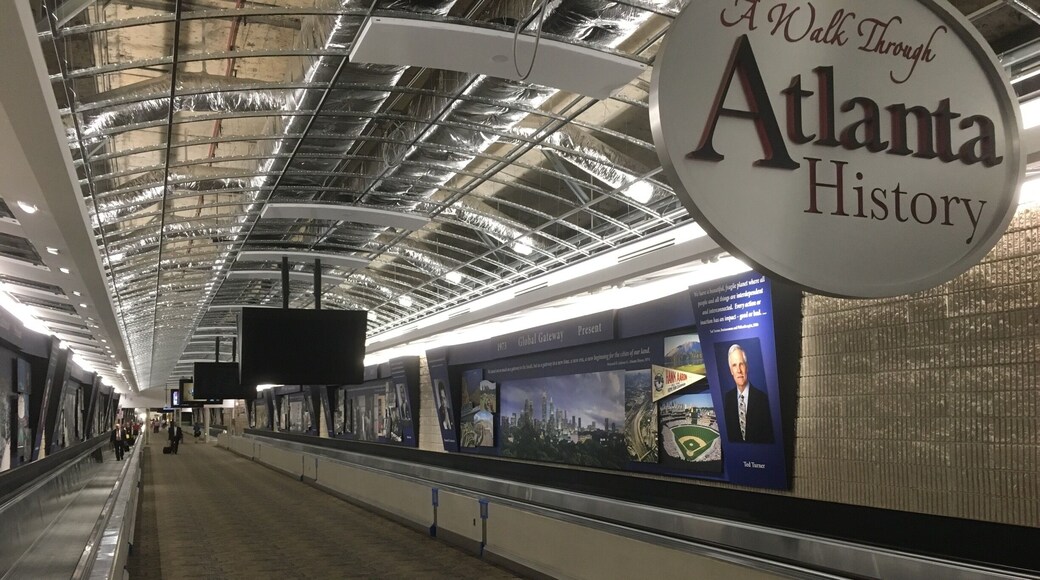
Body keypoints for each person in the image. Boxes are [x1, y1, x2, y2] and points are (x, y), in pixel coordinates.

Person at [722, 344, 774, 444]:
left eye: (741, 364)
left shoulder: (763, 399)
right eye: (734, 365)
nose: (738, 370)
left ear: (747, 367)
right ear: (731, 371)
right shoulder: (727, 399)